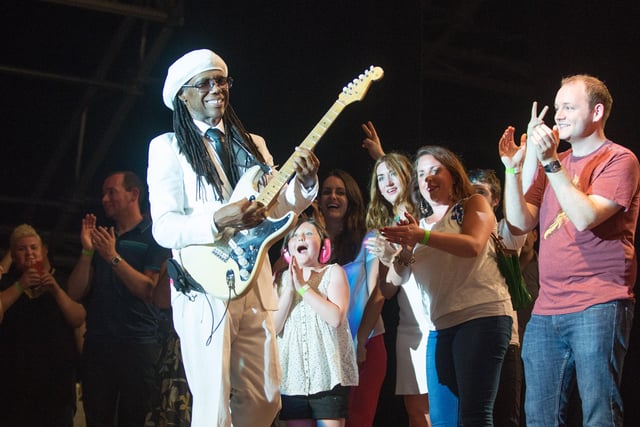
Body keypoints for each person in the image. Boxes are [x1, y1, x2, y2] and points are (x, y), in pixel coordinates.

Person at [146, 48, 319, 427]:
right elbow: (164, 226)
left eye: (221, 80)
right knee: (213, 407)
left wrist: (304, 185)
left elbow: (273, 209)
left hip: (253, 282)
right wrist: (216, 219)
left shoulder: (251, 143)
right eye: (204, 83)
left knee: (265, 399)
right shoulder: (168, 148)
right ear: (183, 95)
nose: (216, 89)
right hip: (206, 285)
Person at [499, 74, 640, 426]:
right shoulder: (554, 161)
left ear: (597, 111)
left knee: (599, 412)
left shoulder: (619, 160)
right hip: (548, 308)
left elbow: (584, 216)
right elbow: (518, 223)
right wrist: (514, 168)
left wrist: (549, 162)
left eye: (568, 107)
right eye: (557, 106)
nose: (558, 115)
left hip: (599, 302)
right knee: (539, 417)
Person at [381, 145, 512, 426]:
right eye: (420, 173)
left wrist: (421, 237)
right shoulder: (420, 226)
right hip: (439, 327)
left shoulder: (472, 204)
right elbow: (390, 286)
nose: (427, 178)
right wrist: (406, 250)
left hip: (481, 316)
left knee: (474, 416)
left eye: (435, 170)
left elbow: (473, 245)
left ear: (453, 174)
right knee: (441, 420)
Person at [67, 170, 169, 427]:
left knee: (135, 418)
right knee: (96, 418)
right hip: (99, 345)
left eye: (111, 192)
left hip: (139, 346)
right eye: (103, 193)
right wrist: (88, 252)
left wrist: (113, 257)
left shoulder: (154, 235)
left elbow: (149, 290)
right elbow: (75, 292)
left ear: (133, 194)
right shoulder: (103, 237)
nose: (104, 199)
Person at [365, 153, 433, 427]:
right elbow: (388, 291)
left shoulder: (427, 211)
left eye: (393, 174)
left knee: (442, 409)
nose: (387, 182)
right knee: (416, 411)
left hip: (438, 318)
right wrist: (388, 258)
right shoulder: (384, 228)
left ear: (408, 175)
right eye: (380, 177)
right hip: (410, 324)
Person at [318, 169, 387, 426]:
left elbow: (376, 294)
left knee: (358, 420)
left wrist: (359, 342)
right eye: (326, 192)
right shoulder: (310, 240)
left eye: (340, 192)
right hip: (324, 349)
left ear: (351, 200)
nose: (333, 196)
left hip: (365, 346)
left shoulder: (368, 239)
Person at [273, 218, 358, 426]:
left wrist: (303, 287)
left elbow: (336, 318)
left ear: (323, 245)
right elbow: (273, 327)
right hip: (293, 380)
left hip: (327, 376)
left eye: (309, 234)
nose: (301, 237)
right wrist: (290, 289)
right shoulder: (280, 279)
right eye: (295, 236)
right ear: (287, 249)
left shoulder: (332, 272)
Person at [0, 224, 86, 426]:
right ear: (13, 255)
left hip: (56, 388)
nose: (29, 254)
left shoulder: (61, 281)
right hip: (13, 388)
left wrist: (55, 291)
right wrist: (21, 285)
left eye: (33, 248)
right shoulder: (8, 286)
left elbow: (78, 318)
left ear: (43, 251)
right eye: (21, 249)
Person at [468, 168, 527, 427]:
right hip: (466, 337)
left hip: (504, 341)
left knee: (505, 418)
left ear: (495, 200)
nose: (474, 200)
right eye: (468, 194)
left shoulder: (504, 231)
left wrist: (513, 167)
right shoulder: (457, 233)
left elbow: (519, 218)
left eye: (480, 193)